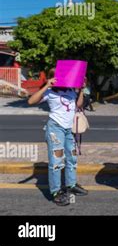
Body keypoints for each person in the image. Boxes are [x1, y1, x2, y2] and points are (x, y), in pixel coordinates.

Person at [28, 68, 88, 206]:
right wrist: (47, 86)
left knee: (72, 157)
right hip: (55, 128)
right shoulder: (49, 92)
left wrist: (81, 90)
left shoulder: (70, 91)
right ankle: (56, 191)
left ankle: (71, 185)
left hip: (68, 129)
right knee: (56, 161)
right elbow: (31, 101)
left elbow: (78, 105)